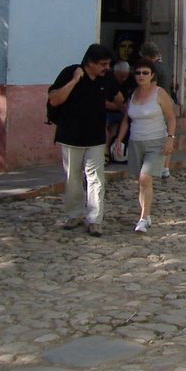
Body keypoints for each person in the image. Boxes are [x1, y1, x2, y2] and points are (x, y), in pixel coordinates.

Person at [47, 43, 115, 236]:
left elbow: (116, 97)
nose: (106, 68)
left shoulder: (106, 78)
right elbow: (54, 99)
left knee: (96, 179)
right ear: (90, 63)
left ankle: (95, 219)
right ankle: (74, 214)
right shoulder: (70, 73)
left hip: (96, 137)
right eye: (103, 64)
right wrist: (75, 81)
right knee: (73, 178)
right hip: (71, 136)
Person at [113, 58, 176, 233]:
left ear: (152, 75)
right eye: (138, 73)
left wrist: (170, 138)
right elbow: (126, 119)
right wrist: (119, 139)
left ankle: (143, 218)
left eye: (145, 73)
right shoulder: (133, 94)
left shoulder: (159, 93)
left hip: (156, 141)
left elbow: (171, 117)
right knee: (141, 182)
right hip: (136, 142)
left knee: (145, 178)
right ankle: (145, 215)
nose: (141, 76)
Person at [140, 42, 175, 177]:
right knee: (167, 135)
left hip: (159, 103)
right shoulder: (165, 66)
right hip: (169, 100)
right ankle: (165, 167)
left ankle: (158, 165)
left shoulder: (153, 69)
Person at [105, 60, 134, 163]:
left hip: (120, 114)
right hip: (107, 112)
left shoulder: (130, 81)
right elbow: (104, 103)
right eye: (121, 76)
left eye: (125, 76)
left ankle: (113, 151)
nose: (123, 79)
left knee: (117, 128)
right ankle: (106, 152)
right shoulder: (109, 81)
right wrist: (120, 107)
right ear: (115, 73)